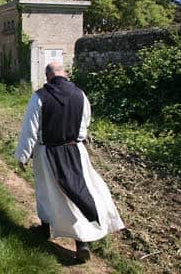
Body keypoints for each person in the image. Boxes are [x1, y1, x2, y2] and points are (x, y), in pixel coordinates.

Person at [15, 61, 125, 261]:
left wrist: (23, 156)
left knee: (47, 192)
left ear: (48, 76)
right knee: (77, 192)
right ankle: (80, 243)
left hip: (48, 152)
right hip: (76, 150)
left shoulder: (39, 97)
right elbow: (84, 125)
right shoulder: (80, 95)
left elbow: (30, 130)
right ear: (64, 74)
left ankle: (46, 228)